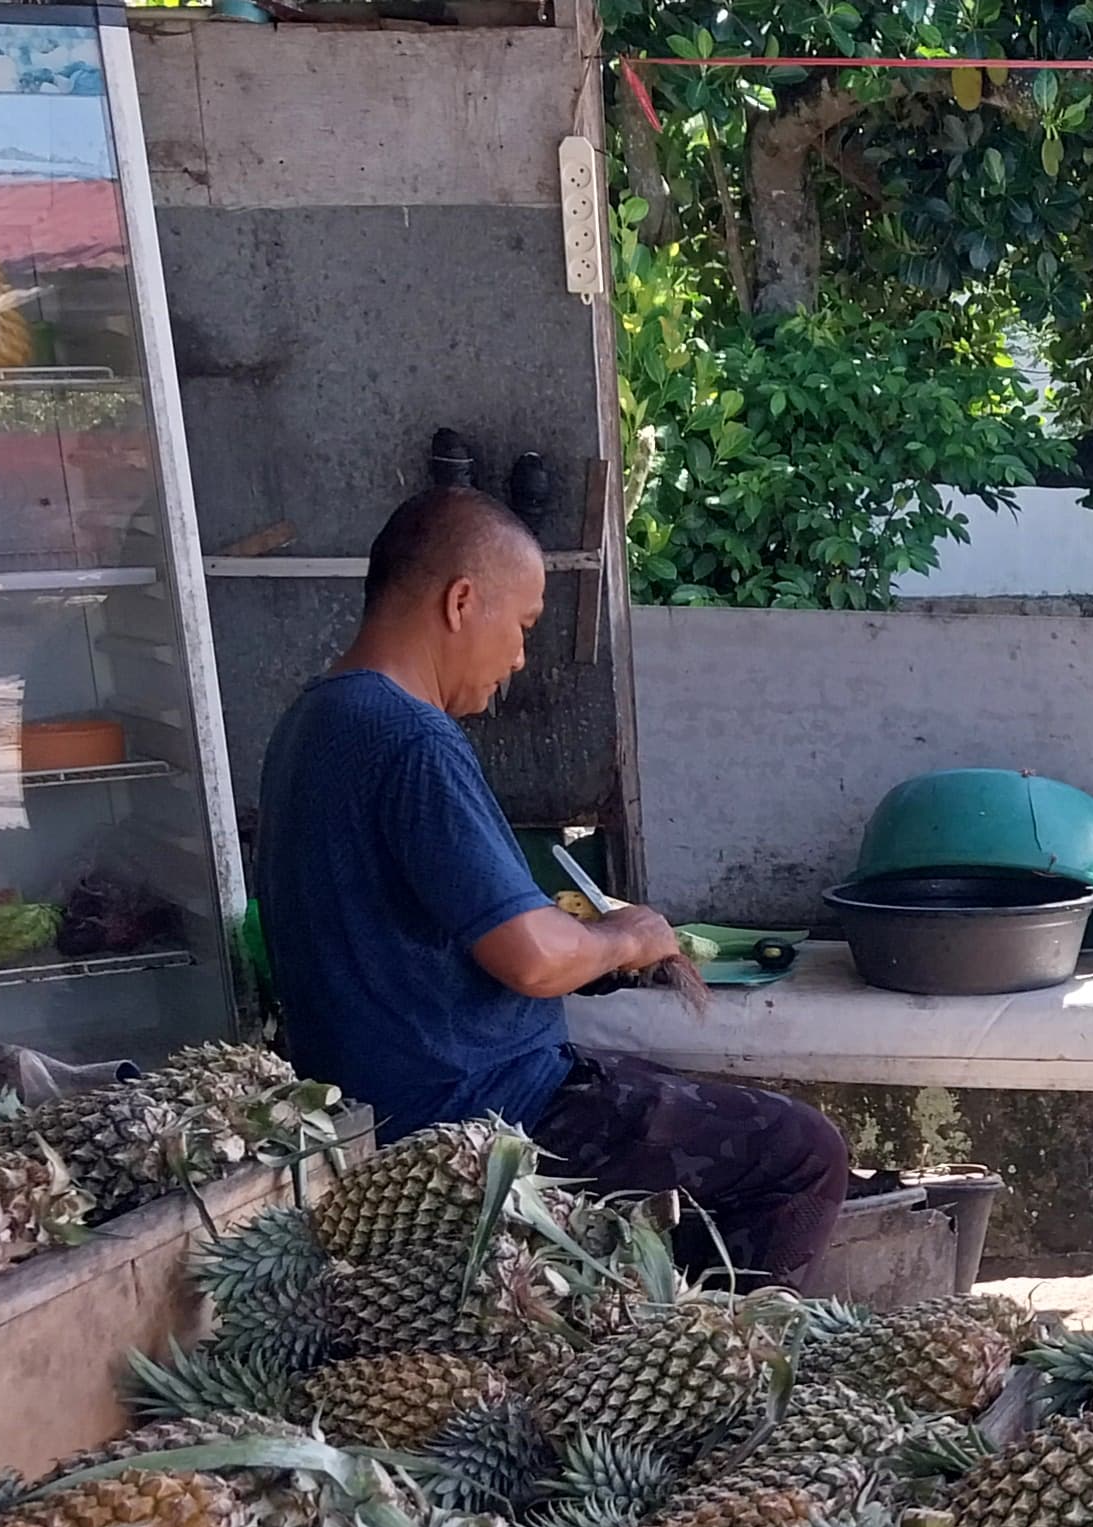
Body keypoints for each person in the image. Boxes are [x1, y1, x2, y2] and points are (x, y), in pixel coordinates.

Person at [255, 486, 852, 1281]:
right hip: (477, 1116)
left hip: (386, 1096)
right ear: (462, 602)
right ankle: (718, 1372)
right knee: (803, 1153)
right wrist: (625, 937)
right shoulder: (411, 738)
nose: (520, 659)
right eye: (524, 626)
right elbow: (532, 959)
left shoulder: (312, 720)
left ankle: (631, 1341)